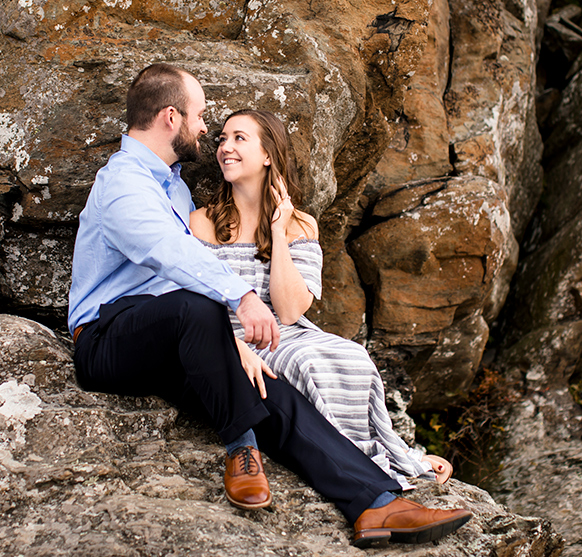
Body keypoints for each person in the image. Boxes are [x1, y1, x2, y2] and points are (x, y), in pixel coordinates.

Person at [69, 64, 471, 548]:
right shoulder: (124, 182)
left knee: (272, 389)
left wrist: (225, 345)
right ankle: (242, 449)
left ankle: (375, 503)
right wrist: (240, 299)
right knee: (197, 312)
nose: (205, 131)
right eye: (200, 117)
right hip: (109, 340)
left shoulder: (171, 184)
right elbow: (169, 254)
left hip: (173, 338)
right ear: (171, 117)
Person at [190, 109, 453, 490]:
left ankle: (383, 451)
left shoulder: (300, 224)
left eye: (239, 138)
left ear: (268, 155)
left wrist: (278, 233)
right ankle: (361, 466)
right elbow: (193, 299)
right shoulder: (203, 222)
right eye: (223, 139)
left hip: (288, 331)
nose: (225, 148)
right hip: (233, 340)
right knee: (307, 362)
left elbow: (291, 309)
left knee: (353, 355)